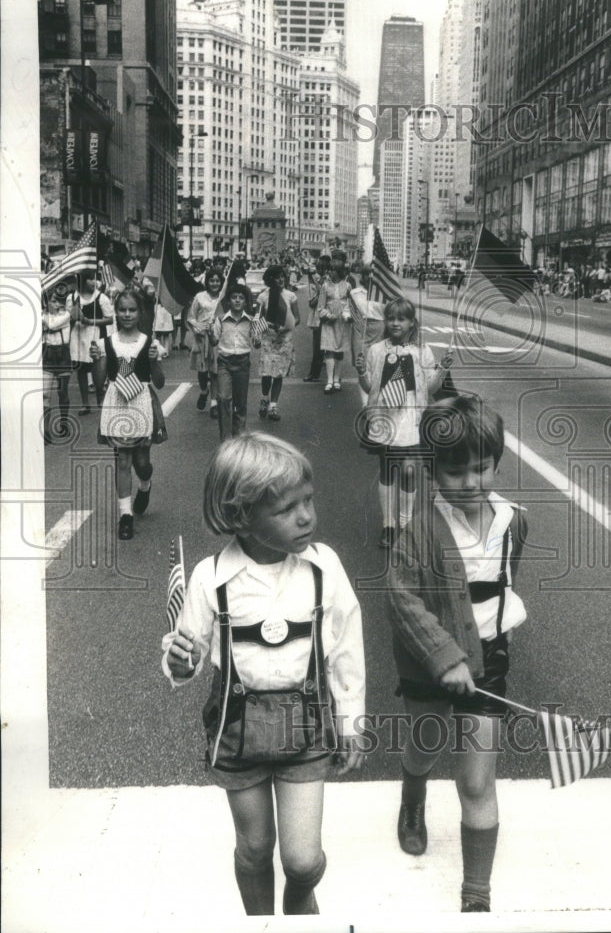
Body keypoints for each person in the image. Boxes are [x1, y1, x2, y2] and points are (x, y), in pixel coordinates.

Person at [161, 433, 366, 916]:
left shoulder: (323, 567)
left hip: (306, 725)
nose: (306, 516)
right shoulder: (210, 578)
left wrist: (352, 719)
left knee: (302, 858)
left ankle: (299, 896)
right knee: (254, 849)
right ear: (241, 518)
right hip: (237, 729)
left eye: (308, 501)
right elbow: (187, 652)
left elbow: (346, 646)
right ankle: (261, 923)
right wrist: (179, 662)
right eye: (287, 509)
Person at [388, 395, 528, 913]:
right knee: (425, 744)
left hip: (488, 660)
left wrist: (487, 644)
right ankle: (412, 799)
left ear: (495, 462)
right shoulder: (419, 530)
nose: (470, 482)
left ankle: (476, 895)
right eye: (455, 471)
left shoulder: (514, 521)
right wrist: (445, 657)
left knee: (477, 779)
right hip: (429, 660)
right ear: (433, 469)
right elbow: (401, 600)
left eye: (480, 468)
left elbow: (503, 584)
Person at [355, 297, 453, 548]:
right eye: (391, 318)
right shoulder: (377, 350)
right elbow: (369, 386)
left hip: (411, 418)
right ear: (385, 322)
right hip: (385, 419)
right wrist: (361, 371)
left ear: (412, 323)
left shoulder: (422, 351)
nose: (395, 323)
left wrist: (442, 370)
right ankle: (388, 525)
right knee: (388, 471)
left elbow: (431, 387)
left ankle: (405, 523)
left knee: (409, 470)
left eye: (402, 319)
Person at [90, 288, 166, 540]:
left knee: (142, 464)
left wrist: (154, 360)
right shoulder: (106, 343)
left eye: (132, 309)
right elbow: (100, 382)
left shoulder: (150, 343)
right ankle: (125, 516)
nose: (126, 314)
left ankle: (145, 484)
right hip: (117, 405)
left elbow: (160, 381)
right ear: (116, 312)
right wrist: (96, 361)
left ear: (140, 312)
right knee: (122, 461)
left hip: (141, 405)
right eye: (122, 309)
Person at [210, 282, 254, 440]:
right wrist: (210, 333)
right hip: (225, 363)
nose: (237, 300)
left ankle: (239, 436)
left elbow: (257, 343)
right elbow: (214, 341)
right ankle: (226, 440)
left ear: (245, 302)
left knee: (241, 404)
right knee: (223, 399)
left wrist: (258, 334)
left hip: (243, 363)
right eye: (234, 297)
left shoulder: (250, 321)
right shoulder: (221, 319)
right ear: (228, 301)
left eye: (241, 298)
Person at [255, 265, 300, 421]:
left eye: (282, 276)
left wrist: (286, 326)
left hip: (284, 339)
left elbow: (297, 317)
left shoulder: (290, 296)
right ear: (270, 279)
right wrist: (269, 326)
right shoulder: (263, 297)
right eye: (277, 277)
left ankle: (273, 406)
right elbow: (258, 319)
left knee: (279, 374)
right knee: (267, 373)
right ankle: (264, 398)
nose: (280, 279)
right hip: (269, 339)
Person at [66, 274, 113, 415]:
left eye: (94, 279)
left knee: (97, 367)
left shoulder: (101, 298)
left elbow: (109, 319)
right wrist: (74, 318)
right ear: (82, 280)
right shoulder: (72, 298)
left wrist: (90, 321)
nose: (94, 282)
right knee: (81, 369)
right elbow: (68, 320)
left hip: (96, 334)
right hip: (78, 336)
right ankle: (85, 403)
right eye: (90, 279)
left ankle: (100, 396)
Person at [187, 267, 224, 418]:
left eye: (217, 280)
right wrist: (196, 327)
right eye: (212, 280)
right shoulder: (199, 297)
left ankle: (214, 403)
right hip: (202, 338)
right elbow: (191, 317)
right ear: (207, 282)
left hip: (217, 338)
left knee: (215, 372)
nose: (214, 283)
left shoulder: (223, 297)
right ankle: (203, 391)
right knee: (202, 370)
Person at [349, 266, 386, 406]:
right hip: (360, 328)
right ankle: (365, 404)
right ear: (361, 277)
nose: (369, 278)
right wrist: (347, 316)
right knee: (361, 364)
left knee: (378, 364)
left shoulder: (383, 294)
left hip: (379, 329)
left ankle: (376, 400)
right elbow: (348, 310)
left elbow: (387, 313)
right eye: (366, 275)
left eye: (373, 276)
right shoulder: (354, 293)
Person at [41, 282, 72, 444]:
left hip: (62, 357)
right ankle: (46, 431)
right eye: (52, 300)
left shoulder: (65, 316)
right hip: (47, 356)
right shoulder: (44, 316)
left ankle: (64, 423)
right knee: (44, 394)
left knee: (63, 393)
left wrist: (42, 316)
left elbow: (52, 325)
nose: (56, 303)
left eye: (58, 300)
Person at [316, 259, 351, 394]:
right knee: (329, 349)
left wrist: (345, 314)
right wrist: (328, 315)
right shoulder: (325, 286)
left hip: (342, 322)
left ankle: (337, 379)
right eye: (329, 269)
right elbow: (320, 306)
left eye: (333, 270)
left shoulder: (347, 286)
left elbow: (350, 304)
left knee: (339, 349)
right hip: (329, 321)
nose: (330, 272)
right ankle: (329, 380)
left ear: (339, 271)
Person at [302, 255, 330, 383]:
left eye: (324, 268)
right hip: (318, 319)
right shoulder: (315, 282)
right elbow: (312, 303)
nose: (322, 270)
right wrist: (320, 291)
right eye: (320, 267)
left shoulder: (330, 281)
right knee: (317, 348)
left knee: (330, 349)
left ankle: (333, 376)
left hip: (329, 317)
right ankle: (314, 373)